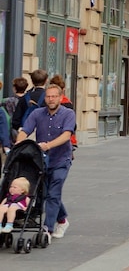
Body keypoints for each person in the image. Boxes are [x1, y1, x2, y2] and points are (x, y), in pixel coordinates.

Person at [16, 84, 75, 239]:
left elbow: (66, 136)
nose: (51, 99)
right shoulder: (37, 113)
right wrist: (18, 145)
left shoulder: (68, 114)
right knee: (47, 192)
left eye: (54, 96)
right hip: (42, 160)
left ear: (60, 97)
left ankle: (48, 229)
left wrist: (47, 145)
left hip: (61, 159)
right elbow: (25, 131)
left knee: (54, 193)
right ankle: (62, 220)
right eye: (48, 96)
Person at [12, 69, 48, 133]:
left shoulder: (24, 97)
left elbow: (16, 120)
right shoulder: (49, 97)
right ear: (46, 81)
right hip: (43, 131)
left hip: (26, 132)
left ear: (32, 81)